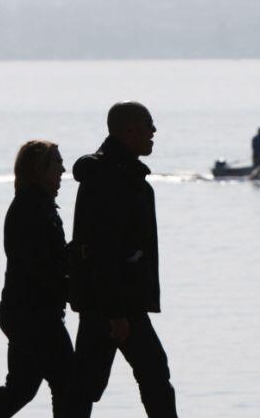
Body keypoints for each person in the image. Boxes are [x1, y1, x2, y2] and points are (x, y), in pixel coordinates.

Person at [67, 101, 178, 418]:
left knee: (87, 384)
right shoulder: (112, 180)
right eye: (148, 125)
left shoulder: (120, 174)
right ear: (129, 131)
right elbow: (103, 250)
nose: (154, 131)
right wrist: (116, 312)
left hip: (110, 300)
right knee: (151, 375)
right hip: (115, 301)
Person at [0, 141, 72, 418]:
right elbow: (41, 267)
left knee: (21, 388)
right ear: (39, 170)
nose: (63, 169)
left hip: (22, 313)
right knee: (68, 383)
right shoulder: (33, 209)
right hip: (34, 315)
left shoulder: (37, 205)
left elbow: (48, 260)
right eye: (57, 163)